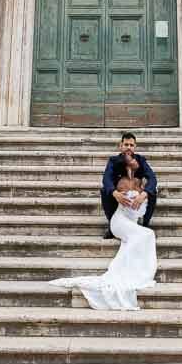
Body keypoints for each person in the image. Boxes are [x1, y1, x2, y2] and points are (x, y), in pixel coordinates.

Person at [50, 166, 157, 309]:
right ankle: (134, 271)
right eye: (130, 168)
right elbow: (125, 202)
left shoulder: (144, 190)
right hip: (119, 222)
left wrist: (143, 194)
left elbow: (150, 189)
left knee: (144, 235)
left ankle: (136, 269)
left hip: (131, 224)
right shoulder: (124, 184)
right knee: (147, 234)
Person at [100, 131, 157, 238]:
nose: (129, 147)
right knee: (105, 190)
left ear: (135, 146)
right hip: (120, 197)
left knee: (152, 190)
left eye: (131, 145)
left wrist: (144, 194)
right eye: (126, 145)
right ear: (120, 146)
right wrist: (115, 193)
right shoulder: (113, 160)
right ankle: (112, 226)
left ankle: (145, 224)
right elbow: (106, 178)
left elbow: (152, 178)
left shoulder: (141, 160)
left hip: (137, 197)